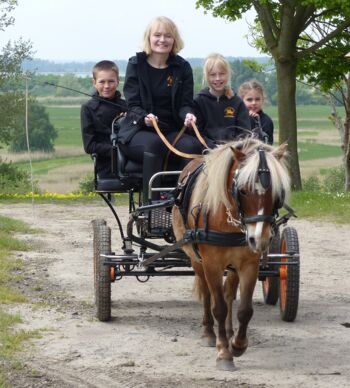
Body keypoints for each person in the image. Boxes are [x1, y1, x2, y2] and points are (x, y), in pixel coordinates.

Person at [118, 16, 203, 185]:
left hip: (171, 130)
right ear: (149, 38)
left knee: (192, 146)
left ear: (174, 40)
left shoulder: (183, 67)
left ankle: (182, 202)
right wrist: (145, 118)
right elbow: (133, 105)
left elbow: (185, 104)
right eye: (157, 35)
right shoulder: (135, 65)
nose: (162, 40)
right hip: (138, 130)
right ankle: (154, 205)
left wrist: (188, 115)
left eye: (168, 35)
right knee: (155, 144)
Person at [194, 53, 251, 148]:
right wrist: (212, 146)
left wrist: (231, 147)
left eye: (221, 74)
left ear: (228, 74)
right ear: (206, 77)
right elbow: (197, 132)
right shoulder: (199, 101)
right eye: (213, 75)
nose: (217, 78)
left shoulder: (237, 102)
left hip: (233, 152)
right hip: (206, 150)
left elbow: (245, 132)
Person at [81, 60, 126, 178]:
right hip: (105, 162)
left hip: (131, 160)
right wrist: (117, 151)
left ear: (118, 82)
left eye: (111, 81)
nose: (106, 86)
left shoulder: (127, 106)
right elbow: (89, 146)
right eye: (102, 82)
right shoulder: (88, 108)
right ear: (94, 83)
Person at [238, 79, 274, 145]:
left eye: (257, 99)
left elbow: (267, 145)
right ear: (241, 101)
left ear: (262, 100)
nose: (254, 103)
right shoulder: (237, 118)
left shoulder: (267, 121)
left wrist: (256, 122)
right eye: (249, 100)